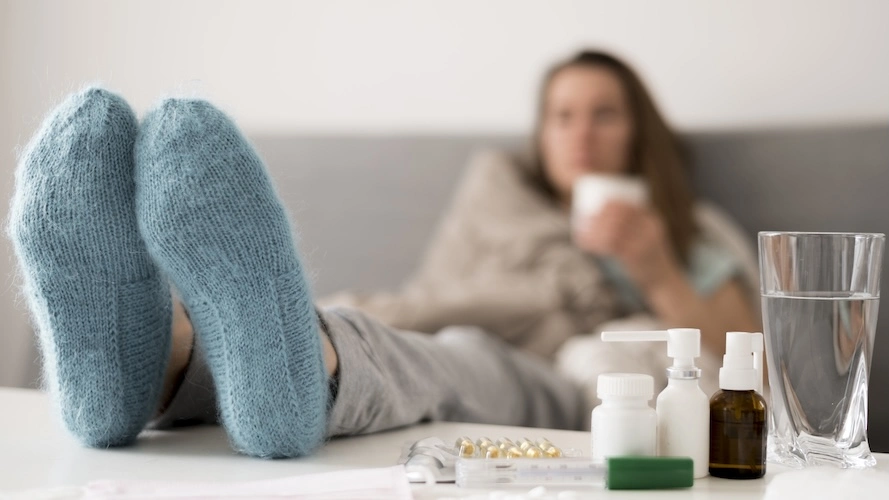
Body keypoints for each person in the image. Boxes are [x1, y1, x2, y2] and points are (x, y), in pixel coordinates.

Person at [7, 50, 759, 459]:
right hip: (416, 330)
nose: (581, 133)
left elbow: (741, 360)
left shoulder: (690, 231)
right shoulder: (497, 202)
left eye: (604, 114)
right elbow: (439, 288)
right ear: (540, 135)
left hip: (552, 373)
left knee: (458, 352)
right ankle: (153, 366)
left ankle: (228, 356)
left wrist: (655, 263)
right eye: (561, 116)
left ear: (641, 130)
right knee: (410, 339)